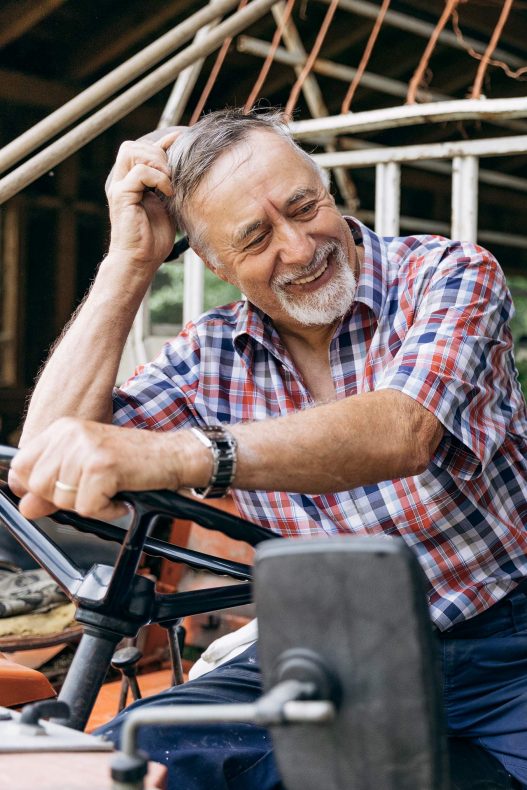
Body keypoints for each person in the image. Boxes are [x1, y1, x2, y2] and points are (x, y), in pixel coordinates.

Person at [8, 108, 527, 788]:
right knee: (106, 765)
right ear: (215, 264)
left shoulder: (445, 274)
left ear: (326, 190)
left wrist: (182, 454)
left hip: (507, 643)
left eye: (303, 206)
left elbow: (401, 431)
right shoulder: (207, 354)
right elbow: (41, 469)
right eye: (255, 238)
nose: (301, 246)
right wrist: (129, 262)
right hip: (333, 648)